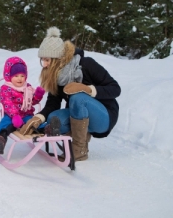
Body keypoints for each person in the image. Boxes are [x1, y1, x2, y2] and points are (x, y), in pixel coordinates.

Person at [19, 27, 121, 161]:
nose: (44, 64)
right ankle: (81, 138)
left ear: (57, 59)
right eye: (42, 60)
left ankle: (79, 149)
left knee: (78, 98)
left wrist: (88, 89)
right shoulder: (55, 76)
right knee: (53, 118)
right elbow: (52, 105)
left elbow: (115, 89)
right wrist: (38, 118)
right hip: (79, 115)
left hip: (104, 115)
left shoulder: (86, 64)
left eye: (47, 60)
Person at [0, 56, 45, 154]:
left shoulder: (28, 88)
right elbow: (7, 103)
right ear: (9, 76)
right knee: (5, 124)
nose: (19, 79)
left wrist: (37, 96)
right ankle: (1, 140)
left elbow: (32, 102)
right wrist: (15, 116)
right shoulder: (5, 88)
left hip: (26, 114)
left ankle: (47, 128)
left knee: (33, 122)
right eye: (16, 76)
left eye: (22, 75)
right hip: (11, 115)